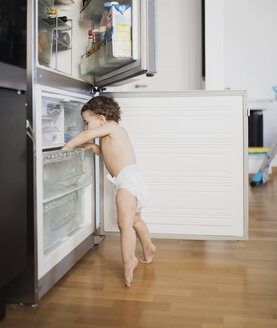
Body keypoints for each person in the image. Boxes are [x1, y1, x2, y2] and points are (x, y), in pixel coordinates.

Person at [62, 95, 156, 287]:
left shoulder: (112, 128)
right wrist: (96, 149)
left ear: (101, 119)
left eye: (87, 122)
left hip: (128, 182)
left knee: (125, 224)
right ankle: (148, 246)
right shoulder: (112, 133)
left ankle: (129, 260)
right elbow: (112, 156)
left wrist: (67, 146)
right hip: (132, 181)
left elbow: (87, 135)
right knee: (136, 220)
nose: (85, 128)